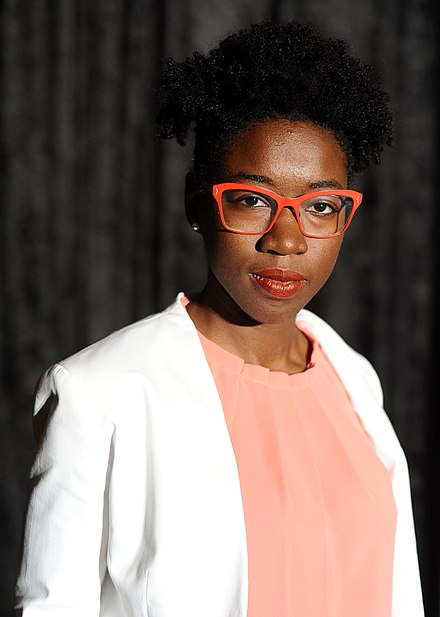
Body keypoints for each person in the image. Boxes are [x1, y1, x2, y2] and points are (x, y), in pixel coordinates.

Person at [14, 20, 424, 617]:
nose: (287, 239)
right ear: (197, 203)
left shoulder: (354, 381)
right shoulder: (98, 392)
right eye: (253, 200)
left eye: (320, 205)